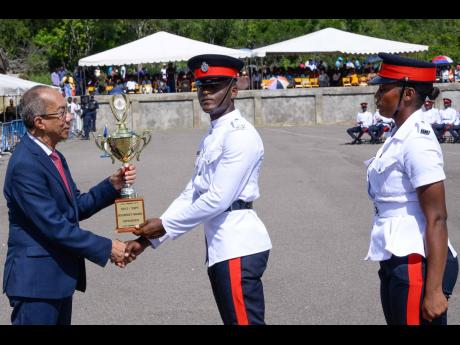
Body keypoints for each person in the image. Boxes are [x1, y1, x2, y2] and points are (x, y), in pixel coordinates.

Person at [122, 54, 272, 325]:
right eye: (202, 86)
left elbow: (217, 199)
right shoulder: (214, 134)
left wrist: (165, 225)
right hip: (222, 246)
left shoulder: (240, 134)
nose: (206, 93)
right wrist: (147, 239)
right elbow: (192, 192)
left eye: (215, 86)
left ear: (234, 90)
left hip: (238, 243)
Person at [2, 85, 136, 325]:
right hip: (35, 286)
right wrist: (107, 247)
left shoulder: (52, 155)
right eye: (61, 112)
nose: (69, 117)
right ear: (40, 122)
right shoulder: (25, 165)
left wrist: (111, 185)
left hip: (56, 280)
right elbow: (54, 225)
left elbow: (74, 207)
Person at [364, 53, 458, 325]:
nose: (378, 95)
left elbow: (437, 217)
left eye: (384, 88)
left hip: (417, 260)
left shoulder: (417, 140)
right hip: (397, 255)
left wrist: (434, 290)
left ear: (407, 94)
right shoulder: (398, 134)